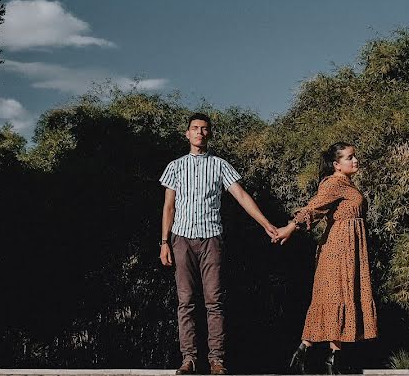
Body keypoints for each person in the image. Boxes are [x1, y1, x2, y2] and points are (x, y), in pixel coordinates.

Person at [159, 113, 280, 375]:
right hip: (181, 239)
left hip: (211, 239)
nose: (199, 132)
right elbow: (169, 207)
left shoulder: (220, 165)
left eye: (204, 129)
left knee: (214, 301)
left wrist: (265, 223)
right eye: (195, 128)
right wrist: (164, 242)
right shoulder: (175, 166)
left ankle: (217, 360)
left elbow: (241, 195)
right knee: (186, 302)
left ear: (209, 134)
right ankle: (189, 359)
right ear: (187, 134)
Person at [273, 142, 378, 374]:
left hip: (351, 249)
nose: (355, 160)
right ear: (336, 164)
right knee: (335, 297)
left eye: (355, 156)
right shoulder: (333, 184)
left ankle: (327, 356)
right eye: (349, 157)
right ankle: (313, 353)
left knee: (340, 297)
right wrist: (290, 227)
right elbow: (313, 208)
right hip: (338, 249)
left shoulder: (346, 184)